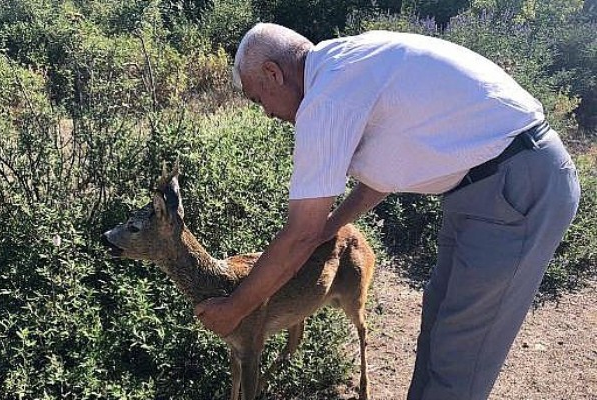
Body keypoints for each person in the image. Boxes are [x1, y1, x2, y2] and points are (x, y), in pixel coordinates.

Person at [194, 23, 581, 400]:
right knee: (439, 320)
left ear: (272, 73)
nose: (265, 113)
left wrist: (235, 308)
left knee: (460, 352)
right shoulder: (345, 65)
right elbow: (381, 176)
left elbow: (300, 234)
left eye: (258, 99)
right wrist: (332, 227)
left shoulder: (326, 98)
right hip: (486, 185)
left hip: (515, 183)